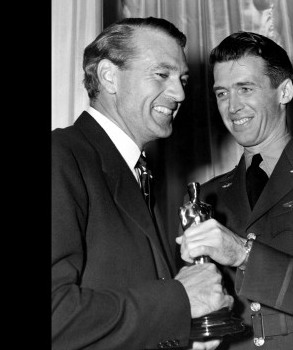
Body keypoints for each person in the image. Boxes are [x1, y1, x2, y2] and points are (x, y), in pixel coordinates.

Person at [52, 17, 232, 350]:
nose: (179, 93)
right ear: (109, 77)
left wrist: (182, 334)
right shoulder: (61, 156)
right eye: (161, 74)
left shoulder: (132, 169)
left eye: (182, 79)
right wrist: (180, 300)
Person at [176, 32, 293, 349]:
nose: (232, 106)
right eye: (221, 94)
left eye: (245, 88)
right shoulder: (206, 197)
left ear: (284, 91)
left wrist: (244, 254)